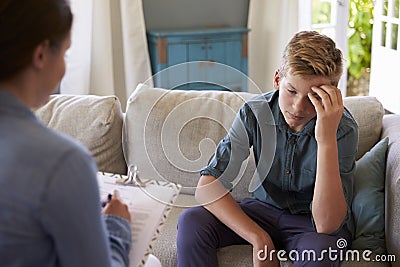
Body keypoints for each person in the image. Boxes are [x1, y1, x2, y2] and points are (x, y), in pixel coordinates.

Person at [177, 31, 359, 267]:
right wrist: (259, 239)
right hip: (262, 212)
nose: (298, 107)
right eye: (291, 91)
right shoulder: (255, 112)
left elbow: (326, 224)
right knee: (192, 220)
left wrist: (325, 139)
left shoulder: (343, 128)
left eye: (313, 97)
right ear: (277, 80)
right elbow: (207, 187)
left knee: (322, 250)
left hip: (312, 227)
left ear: (332, 94)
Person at [0, 0, 134, 266]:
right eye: (65, 53)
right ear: (40, 55)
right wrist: (117, 226)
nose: (63, 68)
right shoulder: (62, 162)